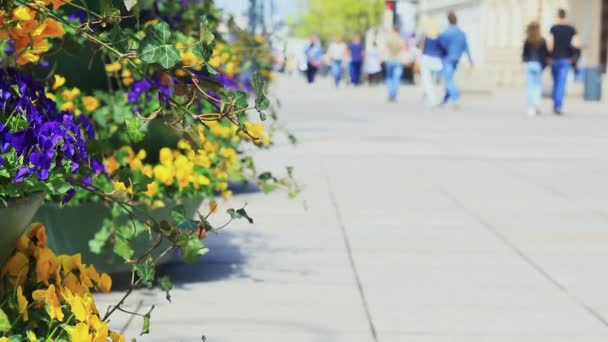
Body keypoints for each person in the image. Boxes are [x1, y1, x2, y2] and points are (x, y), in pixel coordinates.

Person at [437, 11, 474, 108]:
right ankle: (444, 100)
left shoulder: (446, 32)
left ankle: (456, 99)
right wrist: (471, 61)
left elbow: (441, 45)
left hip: (447, 59)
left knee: (448, 80)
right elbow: (466, 48)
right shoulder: (461, 33)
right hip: (456, 59)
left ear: (448, 20)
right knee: (449, 79)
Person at [547, 8, 580, 115]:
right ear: (565, 16)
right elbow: (576, 44)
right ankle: (558, 105)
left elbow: (550, 44)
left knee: (556, 83)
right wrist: (575, 55)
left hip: (555, 59)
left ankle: (555, 103)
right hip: (566, 59)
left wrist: (549, 57)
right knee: (561, 83)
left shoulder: (554, 28)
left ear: (558, 16)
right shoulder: (571, 29)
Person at [522, 21, 549, 116]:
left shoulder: (527, 40)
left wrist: (524, 64)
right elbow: (545, 54)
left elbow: (524, 55)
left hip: (529, 64)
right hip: (538, 65)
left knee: (530, 86)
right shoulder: (542, 40)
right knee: (537, 86)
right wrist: (544, 66)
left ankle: (531, 107)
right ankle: (536, 102)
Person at [417, 16, 443, 107]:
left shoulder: (425, 35)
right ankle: (424, 97)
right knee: (430, 80)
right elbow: (442, 47)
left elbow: (419, 46)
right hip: (436, 60)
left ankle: (432, 100)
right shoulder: (439, 35)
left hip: (426, 59)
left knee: (427, 80)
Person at [384, 26, 406, 102]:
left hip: (390, 60)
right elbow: (403, 49)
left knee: (389, 78)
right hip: (398, 60)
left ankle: (390, 94)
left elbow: (385, 48)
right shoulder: (401, 39)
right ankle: (394, 95)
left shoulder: (389, 38)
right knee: (396, 78)